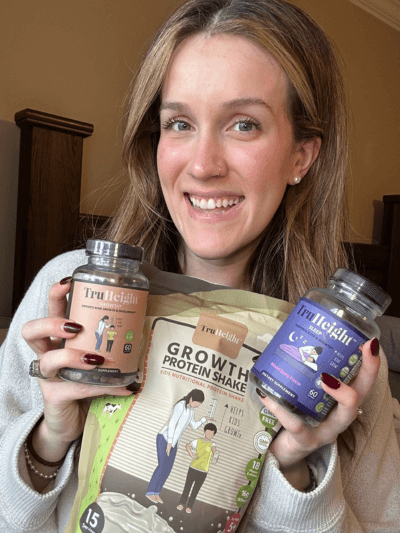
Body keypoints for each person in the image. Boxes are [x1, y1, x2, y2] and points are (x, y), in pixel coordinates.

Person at [0, 1, 399, 532]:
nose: (204, 165)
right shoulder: (77, 291)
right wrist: (47, 441)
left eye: (243, 124)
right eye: (180, 123)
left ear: (301, 156)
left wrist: (295, 468)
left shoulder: (340, 357)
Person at [146, 389, 209, 503]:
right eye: (198, 403)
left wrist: (204, 419)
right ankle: (150, 492)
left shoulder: (191, 411)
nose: (198, 405)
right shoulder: (180, 406)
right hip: (165, 438)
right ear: (192, 399)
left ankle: (156, 492)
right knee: (162, 466)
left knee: (168, 469)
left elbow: (194, 426)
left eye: (200, 404)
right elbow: (172, 424)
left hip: (174, 443)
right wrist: (169, 443)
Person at [177, 422, 218, 513]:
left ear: (213, 434)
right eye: (208, 432)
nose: (209, 434)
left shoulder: (212, 444)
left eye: (211, 433)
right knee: (187, 487)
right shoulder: (198, 441)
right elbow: (187, 446)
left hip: (203, 471)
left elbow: (214, 452)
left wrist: (214, 452)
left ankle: (189, 506)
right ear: (204, 431)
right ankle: (181, 503)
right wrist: (192, 455)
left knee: (195, 490)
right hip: (193, 468)